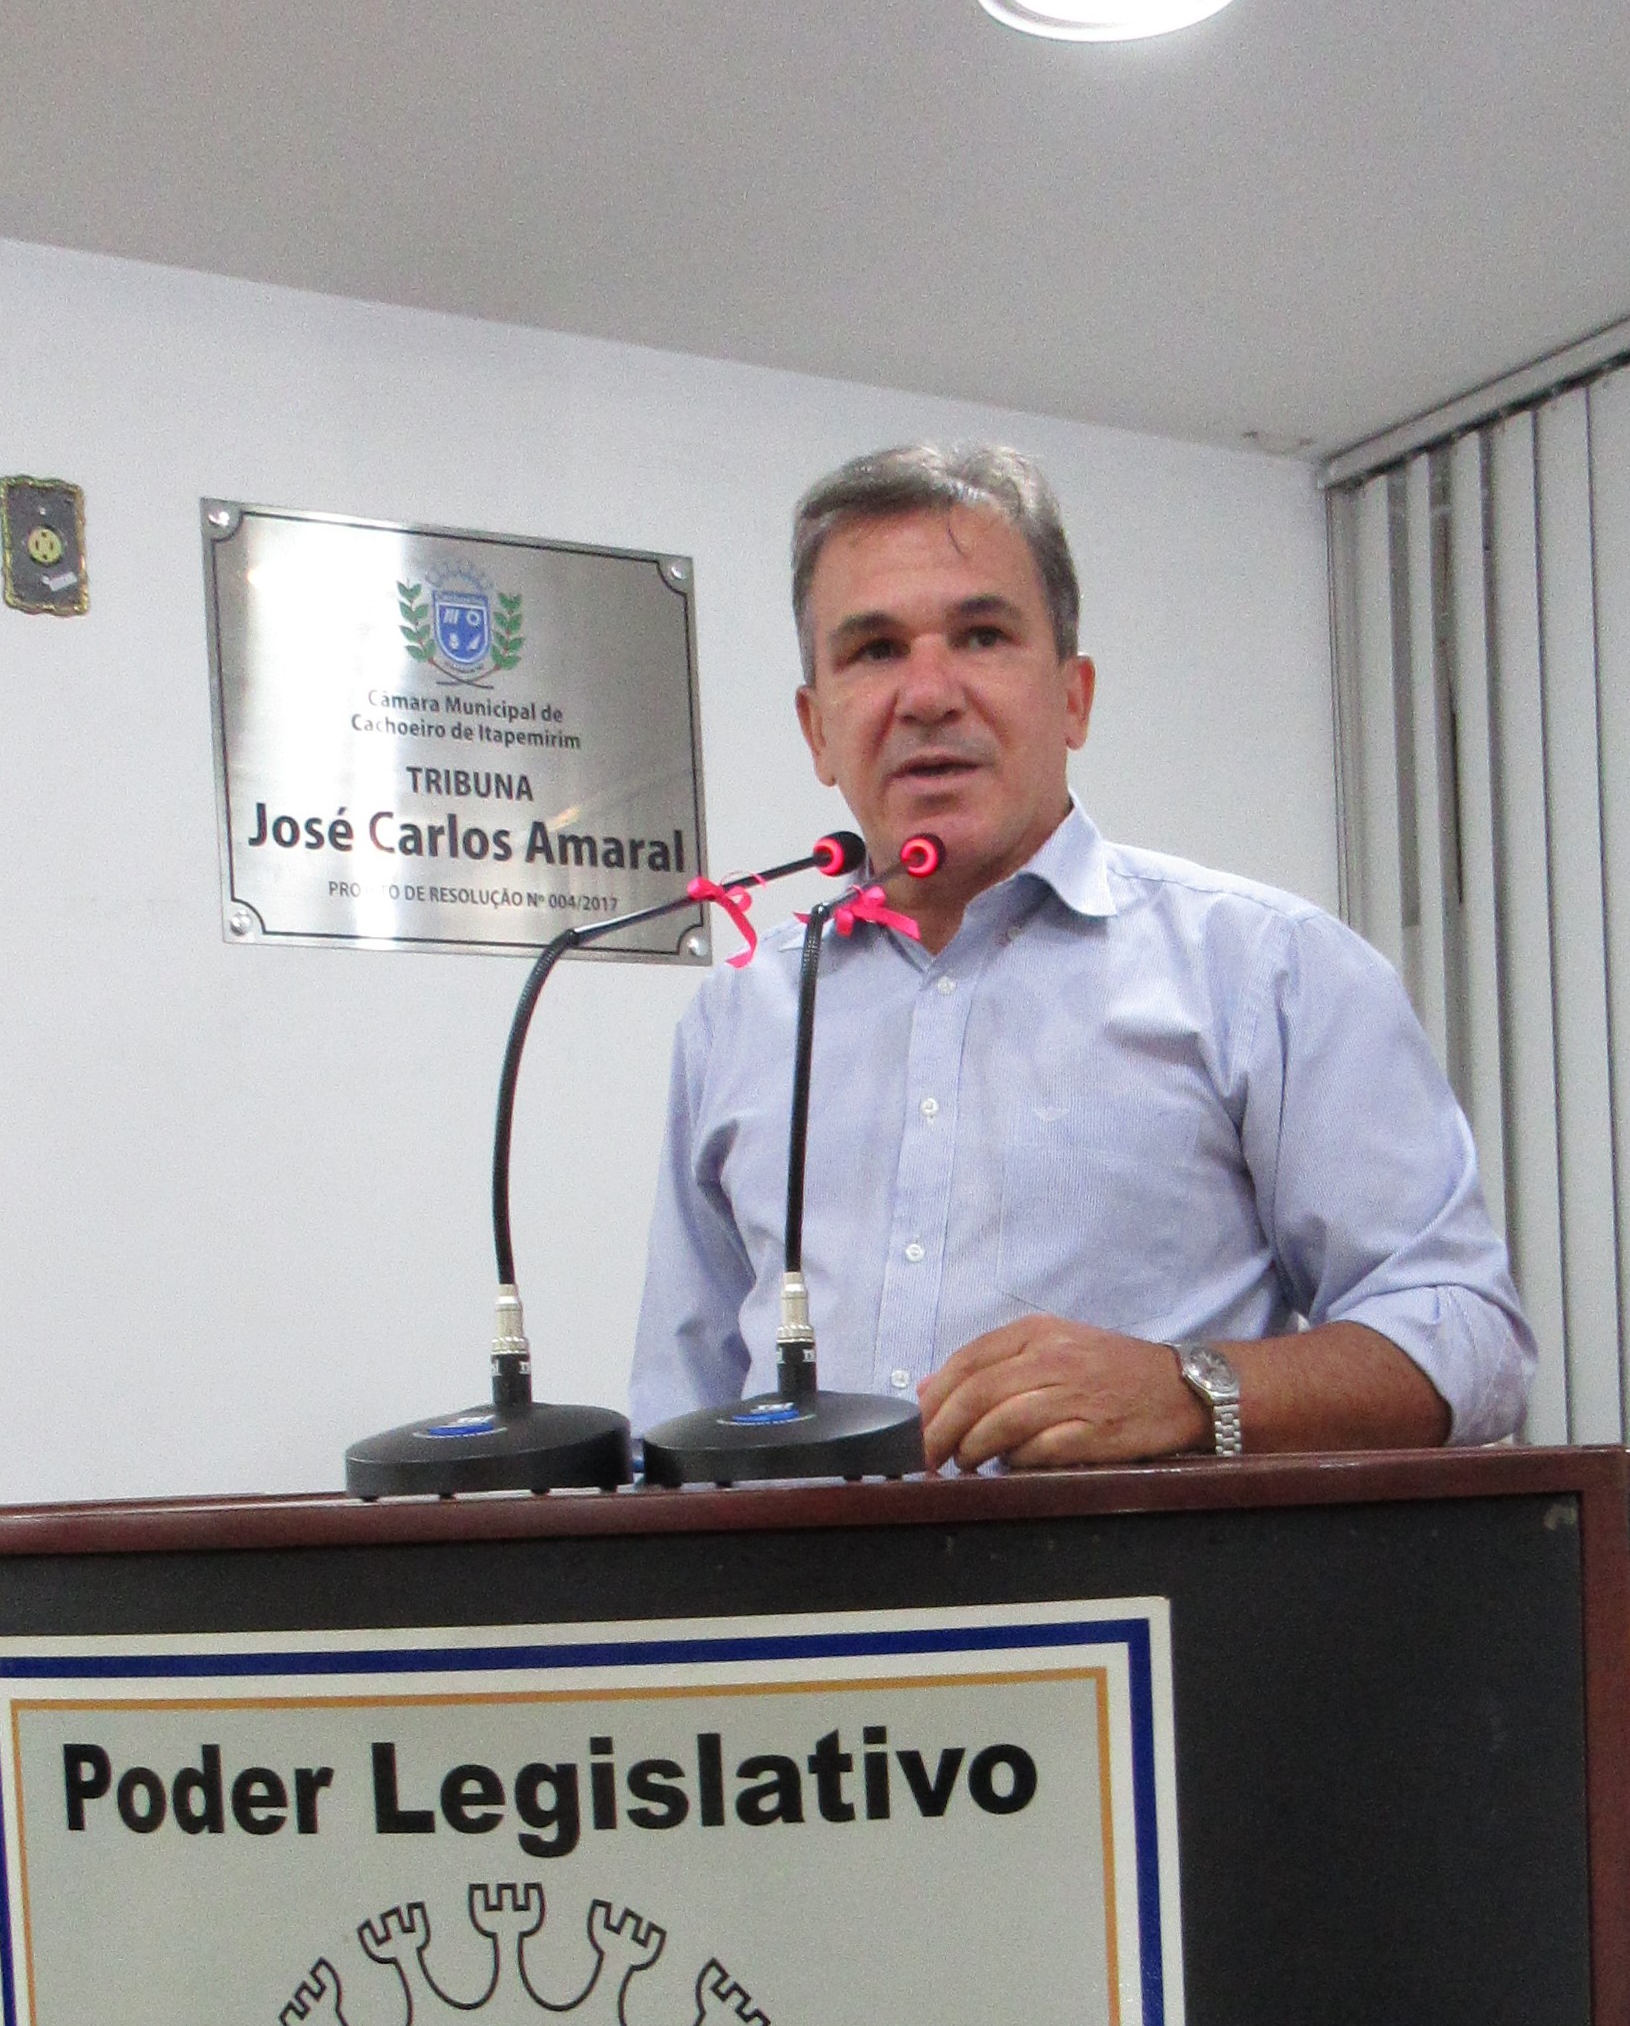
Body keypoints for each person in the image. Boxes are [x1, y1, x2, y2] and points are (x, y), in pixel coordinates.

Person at [629, 443, 1532, 1466]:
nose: (927, 693)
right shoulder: (739, 1019)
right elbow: (677, 1417)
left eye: (981, 636)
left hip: (1144, 1575)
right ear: (817, 731)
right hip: (800, 1577)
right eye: (873, 651)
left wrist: (1189, 1389)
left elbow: (1469, 1339)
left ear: (1073, 697)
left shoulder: (1266, 973)